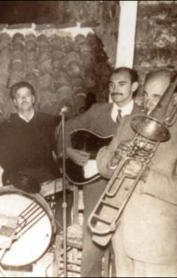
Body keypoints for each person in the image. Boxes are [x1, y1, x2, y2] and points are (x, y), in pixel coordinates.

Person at [96, 70, 177, 277]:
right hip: (120, 231)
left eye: (157, 97)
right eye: (147, 95)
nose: (150, 104)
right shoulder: (130, 123)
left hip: (156, 241)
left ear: (175, 99)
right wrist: (114, 159)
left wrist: (145, 174)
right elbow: (104, 166)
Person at [58, 67, 142, 277]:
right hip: (96, 185)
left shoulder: (144, 116)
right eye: (112, 85)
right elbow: (64, 128)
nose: (115, 89)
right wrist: (69, 151)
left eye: (122, 84)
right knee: (92, 243)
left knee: (124, 245)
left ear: (134, 87)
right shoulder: (97, 111)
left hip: (127, 186)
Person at [0, 81, 70, 232]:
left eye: (27, 96)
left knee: (66, 193)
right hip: (20, 174)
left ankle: (56, 233)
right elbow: (3, 158)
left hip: (46, 172)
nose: (23, 99)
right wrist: (17, 174)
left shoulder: (48, 121)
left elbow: (59, 148)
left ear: (33, 99)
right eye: (19, 97)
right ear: (14, 102)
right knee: (15, 201)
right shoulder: (7, 126)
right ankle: (18, 234)